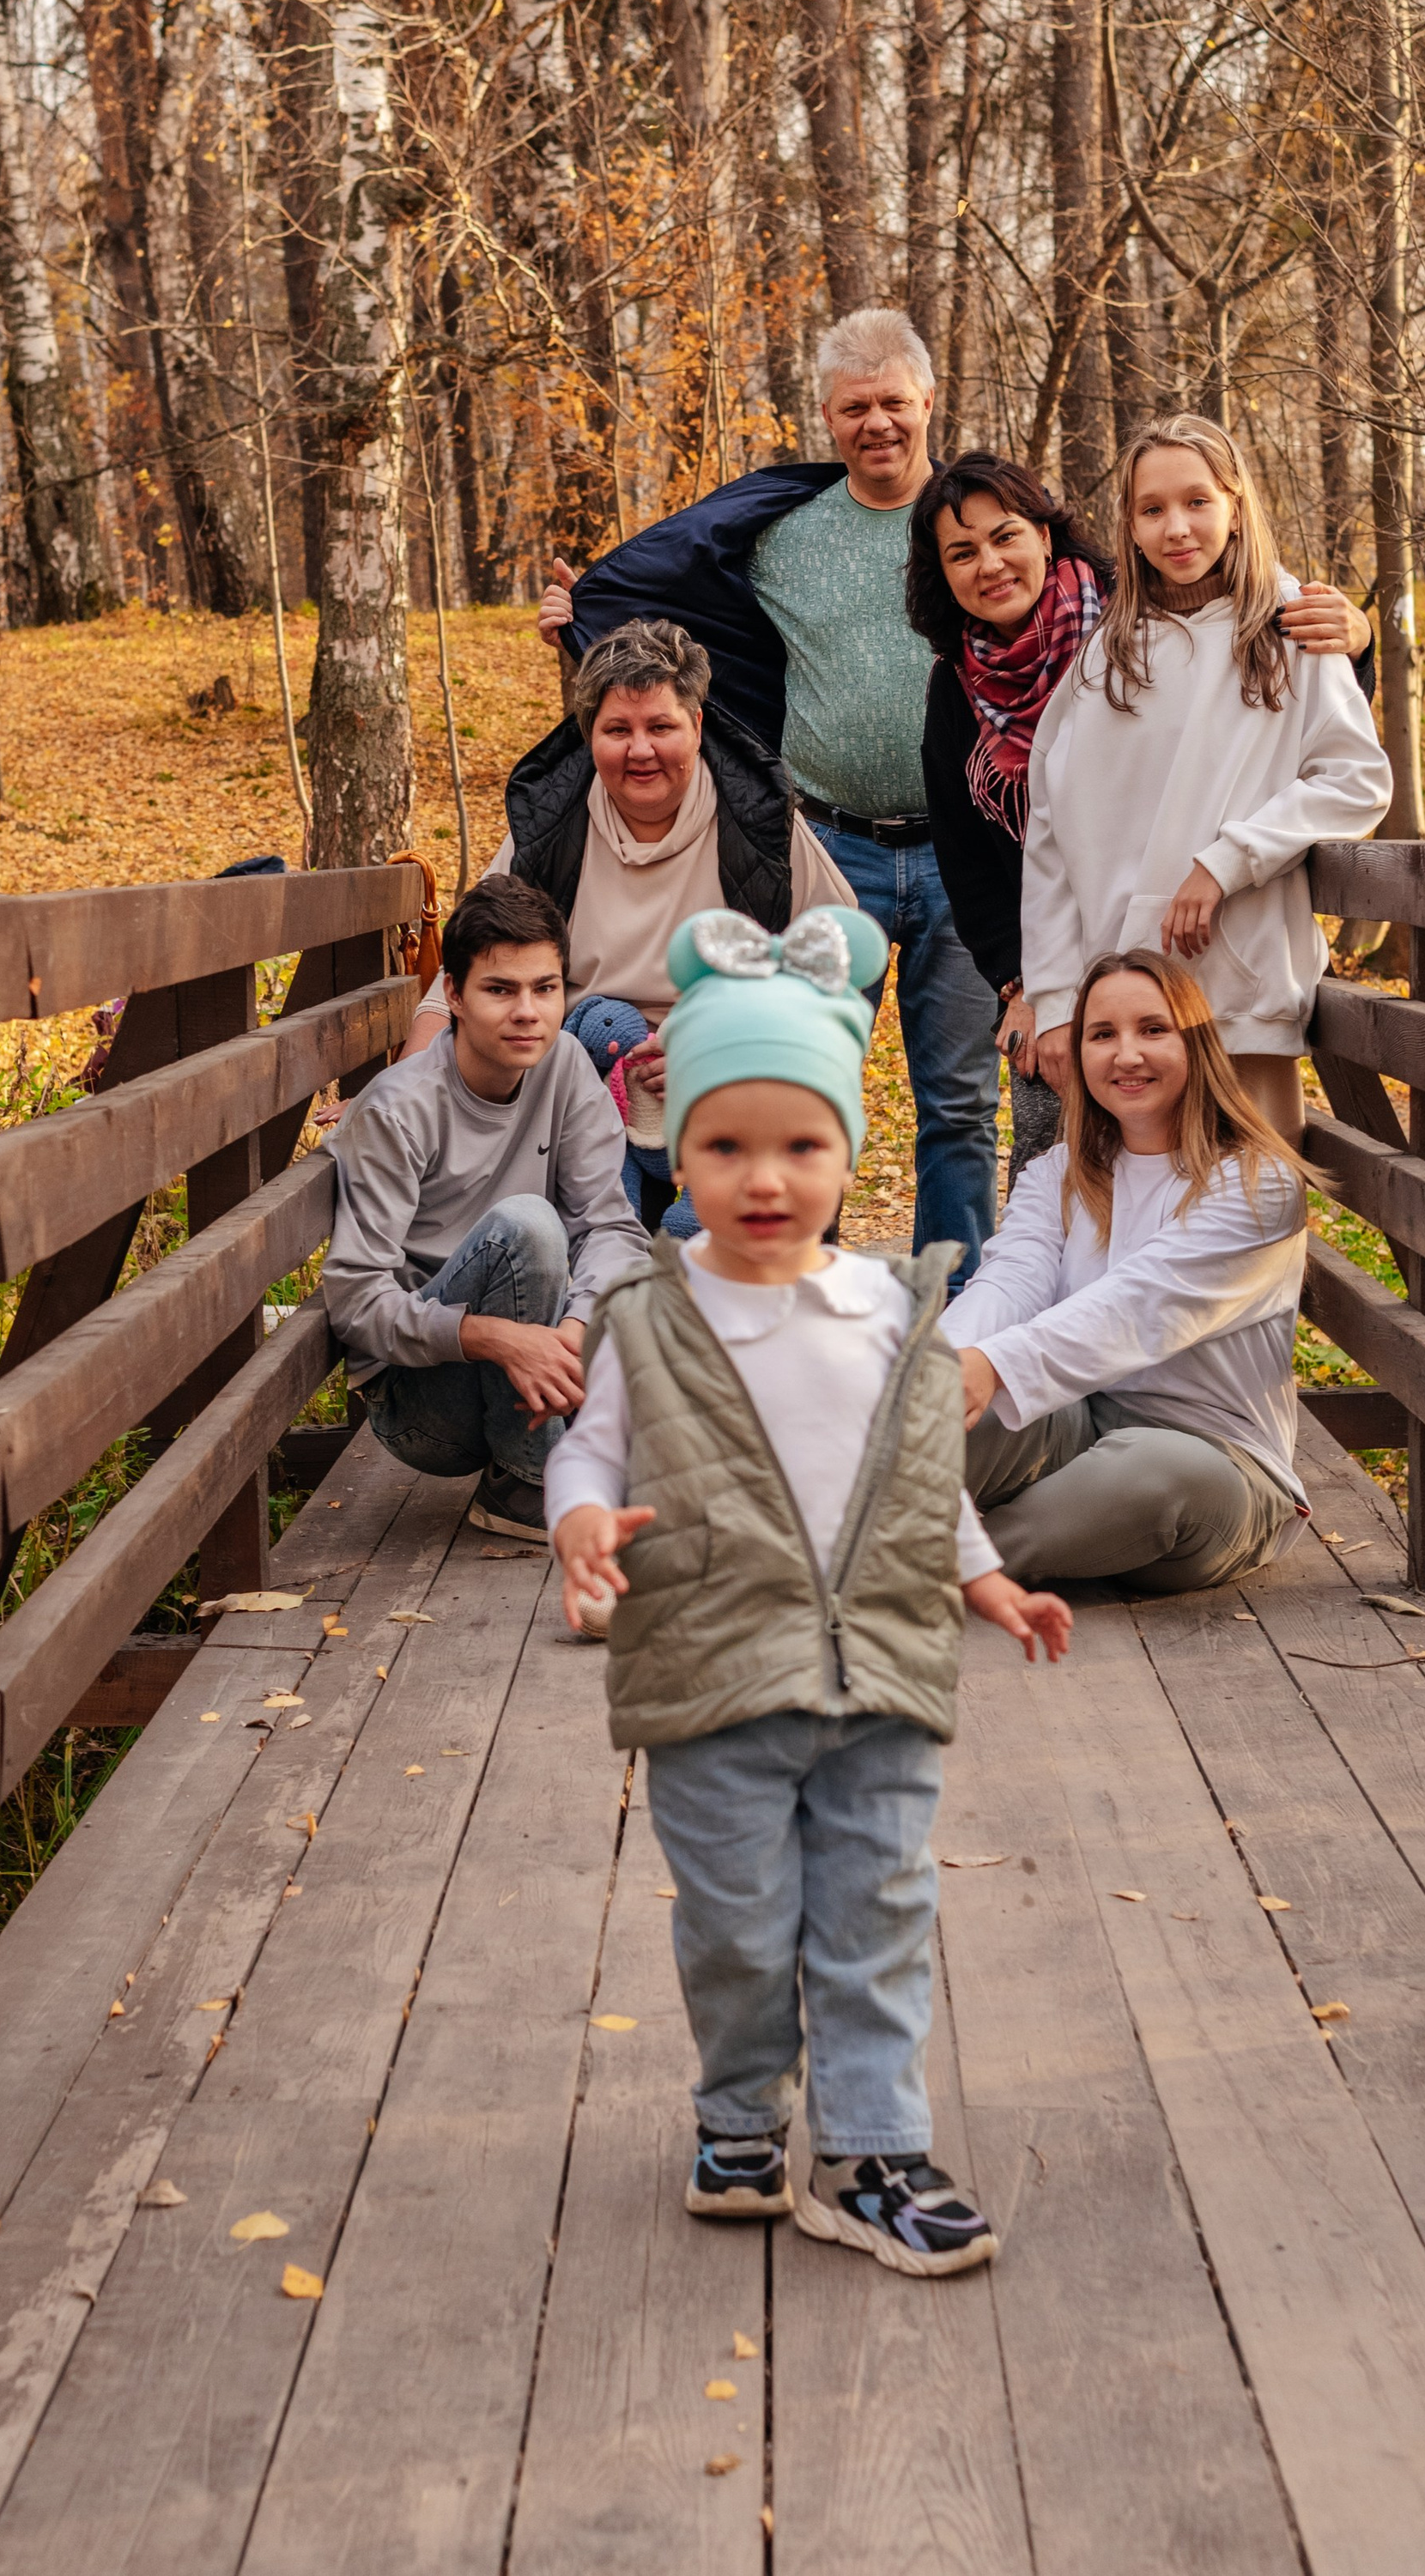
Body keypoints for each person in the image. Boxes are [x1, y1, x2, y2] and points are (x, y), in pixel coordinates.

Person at [547, 906, 1070, 2276]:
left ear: (848, 1151)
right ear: (680, 1152)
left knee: (876, 1913)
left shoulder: (890, 1309)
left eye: (802, 1145)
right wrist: (582, 1517)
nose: (766, 1178)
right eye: (726, 1145)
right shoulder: (653, 1314)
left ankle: (868, 2152)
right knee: (736, 1926)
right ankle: (738, 2117)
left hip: (878, 1675)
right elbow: (590, 1446)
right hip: (714, 1680)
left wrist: (987, 1579)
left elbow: (920, 1469)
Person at [541, 306, 999, 1283]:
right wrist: (582, 617)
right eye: (854, 408)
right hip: (829, 851)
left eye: (893, 402)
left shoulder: (973, 528)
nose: (876, 424)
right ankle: (791, 1294)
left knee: (960, 1102)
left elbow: (1089, 594)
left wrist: (1310, 616)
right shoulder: (783, 533)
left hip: (962, 851)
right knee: (796, 1083)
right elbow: (676, 621)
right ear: (826, 418)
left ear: (928, 401)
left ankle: (954, 1312)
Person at [906, 451, 1373, 1183]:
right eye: (962, 553)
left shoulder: (1144, 608)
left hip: (1229, 973)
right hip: (1094, 986)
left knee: (1249, 1202)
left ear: (1044, 536)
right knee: (1087, 1189)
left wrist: (1357, 638)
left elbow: (1322, 748)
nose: (990, 564)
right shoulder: (989, 678)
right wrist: (1037, 992)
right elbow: (997, 855)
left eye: (1005, 536)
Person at [1021, 411, 1392, 1144]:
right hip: (1124, 1023)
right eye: (1152, 510)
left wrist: (1229, 861)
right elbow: (1051, 839)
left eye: (1198, 501)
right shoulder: (1102, 661)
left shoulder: (1292, 631)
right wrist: (1057, 999)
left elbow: (1355, 779)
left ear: (1236, 506)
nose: (1177, 528)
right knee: (1132, 1209)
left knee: (1255, 1204)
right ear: (1129, 527)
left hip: (1242, 998)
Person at [405, 619, 848, 1233]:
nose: (640, 751)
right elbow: (466, 967)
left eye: (661, 727)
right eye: (618, 730)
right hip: (580, 1081)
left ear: (697, 726)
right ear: (589, 734)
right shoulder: (551, 826)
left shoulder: (759, 819)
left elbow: (835, 960)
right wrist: (402, 1090)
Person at [944, 949, 1316, 1591]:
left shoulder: (1259, 1184)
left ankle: (924, 1568)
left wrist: (994, 1365)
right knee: (933, 1405)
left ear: (1196, 1043)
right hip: (1082, 1423)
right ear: (1079, 1054)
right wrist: (945, 1364)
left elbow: (1139, 1306)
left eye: (1153, 1029)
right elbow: (1010, 1280)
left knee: (1149, 1472)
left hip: (1219, 1465)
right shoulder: (1058, 1173)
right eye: (1102, 1035)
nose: (1127, 1055)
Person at [323, 872, 647, 1547]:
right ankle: (527, 1485)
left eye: (545, 989)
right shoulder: (399, 1108)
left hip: (540, 1359)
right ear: (454, 995)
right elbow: (356, 1302)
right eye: (500, 990)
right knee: (526, 1225)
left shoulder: (564, 1066)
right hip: (423, 1403)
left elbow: (611, 1225)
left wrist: (573, 1331)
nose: (528, 1012)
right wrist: (496, 1337)